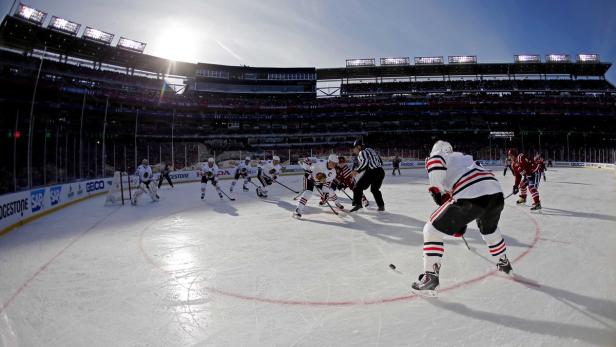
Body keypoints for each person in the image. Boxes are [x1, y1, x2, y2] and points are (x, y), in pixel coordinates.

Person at [411, 141, 512, 295]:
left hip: (471, 194)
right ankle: (503, 262)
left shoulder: (438, 155)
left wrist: (436, 189)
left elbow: (436, 167)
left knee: (431, 230)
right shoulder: (464, 158)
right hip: (496, 193)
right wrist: (456, 221)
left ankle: (430, 277)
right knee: (489, 231)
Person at [349, 139, 385, 212]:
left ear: (359, 146)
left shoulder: (362, 152)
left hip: (372, 172)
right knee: (375, 190)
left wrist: (357, 171)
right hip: (381, 171)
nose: (354, 149)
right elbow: (381, 162)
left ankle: (358, 204)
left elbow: (365, 163)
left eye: (355, 147)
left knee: (357, 187)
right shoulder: (371, 150)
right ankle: (381, 206)